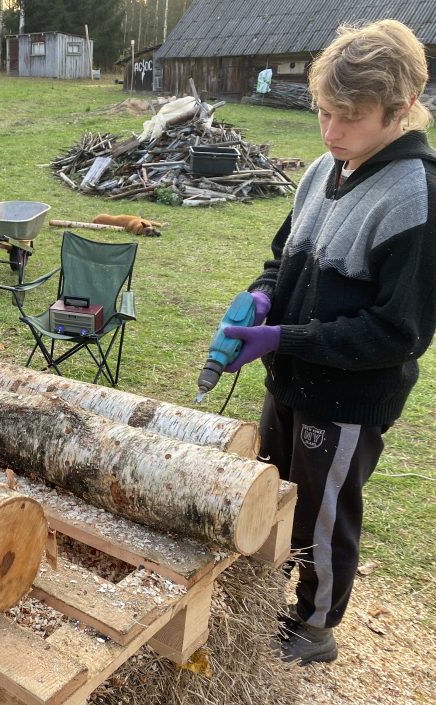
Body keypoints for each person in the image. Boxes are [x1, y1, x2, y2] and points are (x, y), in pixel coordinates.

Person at [216, 19, 436, 665]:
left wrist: (286, 334)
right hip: (288, 377)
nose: (332, 131)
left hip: (346, 397)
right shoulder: (324, 169)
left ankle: (315, 625)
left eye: (349, 117)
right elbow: (284, 257)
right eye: (322, 113)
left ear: (398, 111)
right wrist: (262, 294)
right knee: (273, 490)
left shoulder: (416, 197)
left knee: (322, 512)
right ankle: (262, 595)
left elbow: (399, 332)